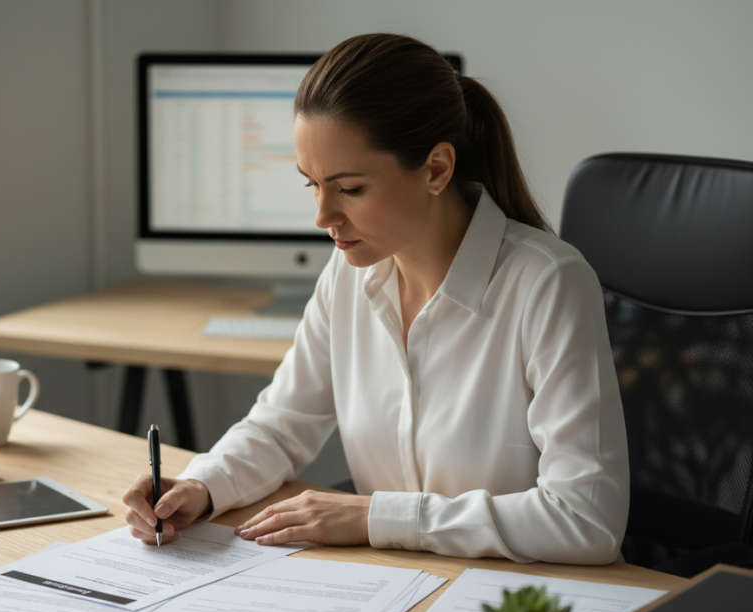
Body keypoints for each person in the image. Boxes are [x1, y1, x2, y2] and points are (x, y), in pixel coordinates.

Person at [121, 33, 628, 564]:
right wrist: (201, 487)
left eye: (350, 189)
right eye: (310, 184)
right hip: (392, 584)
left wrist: (372, 516)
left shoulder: (548, 282)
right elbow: (280, 426)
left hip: (525, 609)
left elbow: (585, 518)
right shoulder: (347, 274)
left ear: (436, 169)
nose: (322, 217)